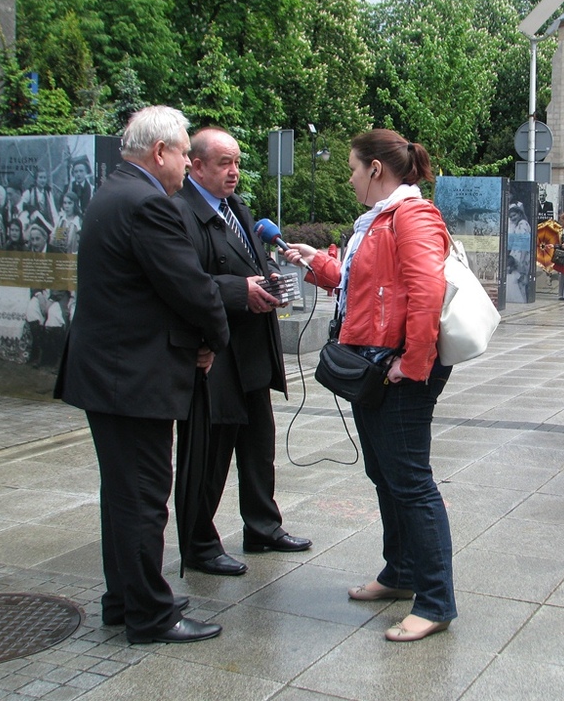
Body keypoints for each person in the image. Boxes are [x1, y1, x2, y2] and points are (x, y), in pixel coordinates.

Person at [54, 105, 229, 644]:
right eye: (184, 153)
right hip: (131, 378)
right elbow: (191, 287)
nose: (187, 163)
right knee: (144, 496)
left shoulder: (114, 192)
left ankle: (125, 600)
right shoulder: (148, 203)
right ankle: (151, 615)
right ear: (160, 152)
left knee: (123, 494)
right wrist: (213, 340)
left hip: (111, 374)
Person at [282, 128, 455, 643]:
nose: (350, 178)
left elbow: (427, 292)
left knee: (411, 482)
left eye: (354, 169)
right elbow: (366, 285)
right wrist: (317, 262)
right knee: (385, 474)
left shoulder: (411, 215)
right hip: (375, 365)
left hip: (396, 370)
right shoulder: (378, 220)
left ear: (375, 168)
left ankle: (436, 601)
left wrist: (413, 364)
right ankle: (400, 573)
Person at [176, 127, 311, 577]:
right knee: (210, 457)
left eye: (236, 162)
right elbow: (182, 281)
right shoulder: (180, 211)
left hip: (253, 350)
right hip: (214, 355)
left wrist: (270, 277)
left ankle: (263, 527)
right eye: (223, 163)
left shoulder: (236, 207)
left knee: (258, 448)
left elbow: (253, 261)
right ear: (196, 166)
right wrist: (240, 290)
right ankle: (199, 543)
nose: (233, 172)